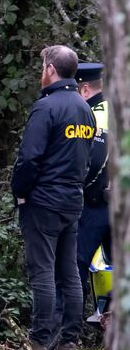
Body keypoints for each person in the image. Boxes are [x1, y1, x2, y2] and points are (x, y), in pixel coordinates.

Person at [7, 45, 95, 350]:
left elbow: (29, 158)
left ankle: (39, 344)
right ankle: (69, 346)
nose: (40, 72)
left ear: (51, 70)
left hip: (42, 201)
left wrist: (20, 191)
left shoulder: (46, 108)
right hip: (73, 202)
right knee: (70, 273)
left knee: (43, 273)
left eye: (42, 66)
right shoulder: (85, 109)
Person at [73, 63, 111, 292]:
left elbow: (95, 161)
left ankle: (69, 325)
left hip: (97, 204)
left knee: (76, 264)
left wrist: (76, 190)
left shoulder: (97, 115)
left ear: (85, 90)